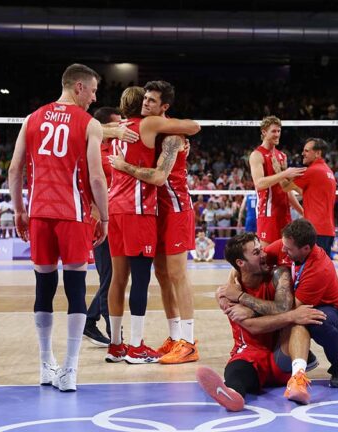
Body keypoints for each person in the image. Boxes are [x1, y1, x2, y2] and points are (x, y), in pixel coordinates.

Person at [8, 63, 109, 392]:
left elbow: (14, 169)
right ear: (78, 87)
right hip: (73, 214)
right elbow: (96, 177)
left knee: (44, 289)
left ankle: (44, 364)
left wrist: (20, 210)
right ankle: (69, 370)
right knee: (76, 290)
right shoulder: (89, 124)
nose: (95, 97)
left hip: (39, 213)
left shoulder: (32, 117)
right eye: (93, 90)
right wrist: (104, 217)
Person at [108, 80, 201, 364]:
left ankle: (188, 341)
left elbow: (161, 176)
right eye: (145, 98)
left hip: (175, 209)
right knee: (161, 276)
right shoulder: (143, 130)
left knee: (176, 274)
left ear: (164, 107)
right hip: (151, 211)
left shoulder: (171, 136)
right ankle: (174, 337)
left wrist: (123, 166)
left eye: (152, 100)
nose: (146, 103)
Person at [220, 219, 338, 394]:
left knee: (307, 320)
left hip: (333, 312)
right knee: (238, 374)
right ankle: (303, 355)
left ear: (305, 248)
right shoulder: (281, 248)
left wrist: (244, 302)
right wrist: (225, 293)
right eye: (283, 245)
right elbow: (240, 265)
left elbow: (289, 311)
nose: (281, 250)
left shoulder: (318, 269)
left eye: (288, 249)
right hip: (265, 341)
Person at [196, 232, 326, 411]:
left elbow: (284, 308)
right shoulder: (229, 291)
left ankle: (298, 380)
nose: (264, 254)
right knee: (237, 372)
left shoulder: (279, 274)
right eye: (256, 253)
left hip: (280, 354)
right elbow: (253, 327)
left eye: (261, 249)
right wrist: (291, 316)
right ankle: (233, 394)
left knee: (299, 324)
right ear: (240, 263)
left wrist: (247, 303)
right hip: (249, 356)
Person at [82, 106, 130, 347]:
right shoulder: (94, 151)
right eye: (116, 124)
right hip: (100, 222)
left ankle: (89, 321)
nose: (121, 128)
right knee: (110, 278)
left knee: (112, 277)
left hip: (118, 220)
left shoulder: (116, 148)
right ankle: (115, 336)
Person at [249, 116, 305, 246]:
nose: (277, 134)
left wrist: (302, 211)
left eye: (279, 131)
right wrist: (284, 173)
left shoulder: (282, 155)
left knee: (286, 256)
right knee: (265, 257)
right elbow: (259, 184)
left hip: (284, 212)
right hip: (268, 213)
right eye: (273, 131)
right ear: (264, 132)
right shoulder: (257, 155)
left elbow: (287, 190)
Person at [281, 138, 337, 255]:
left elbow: (285, 187)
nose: (303, 154)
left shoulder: (312, 171)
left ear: (317, 153)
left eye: (306, 151)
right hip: (327, 230)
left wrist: (279, 170)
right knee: (321, 268)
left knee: (311, 269)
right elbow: (305, 192)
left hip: (315, 230)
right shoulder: (327, 171)